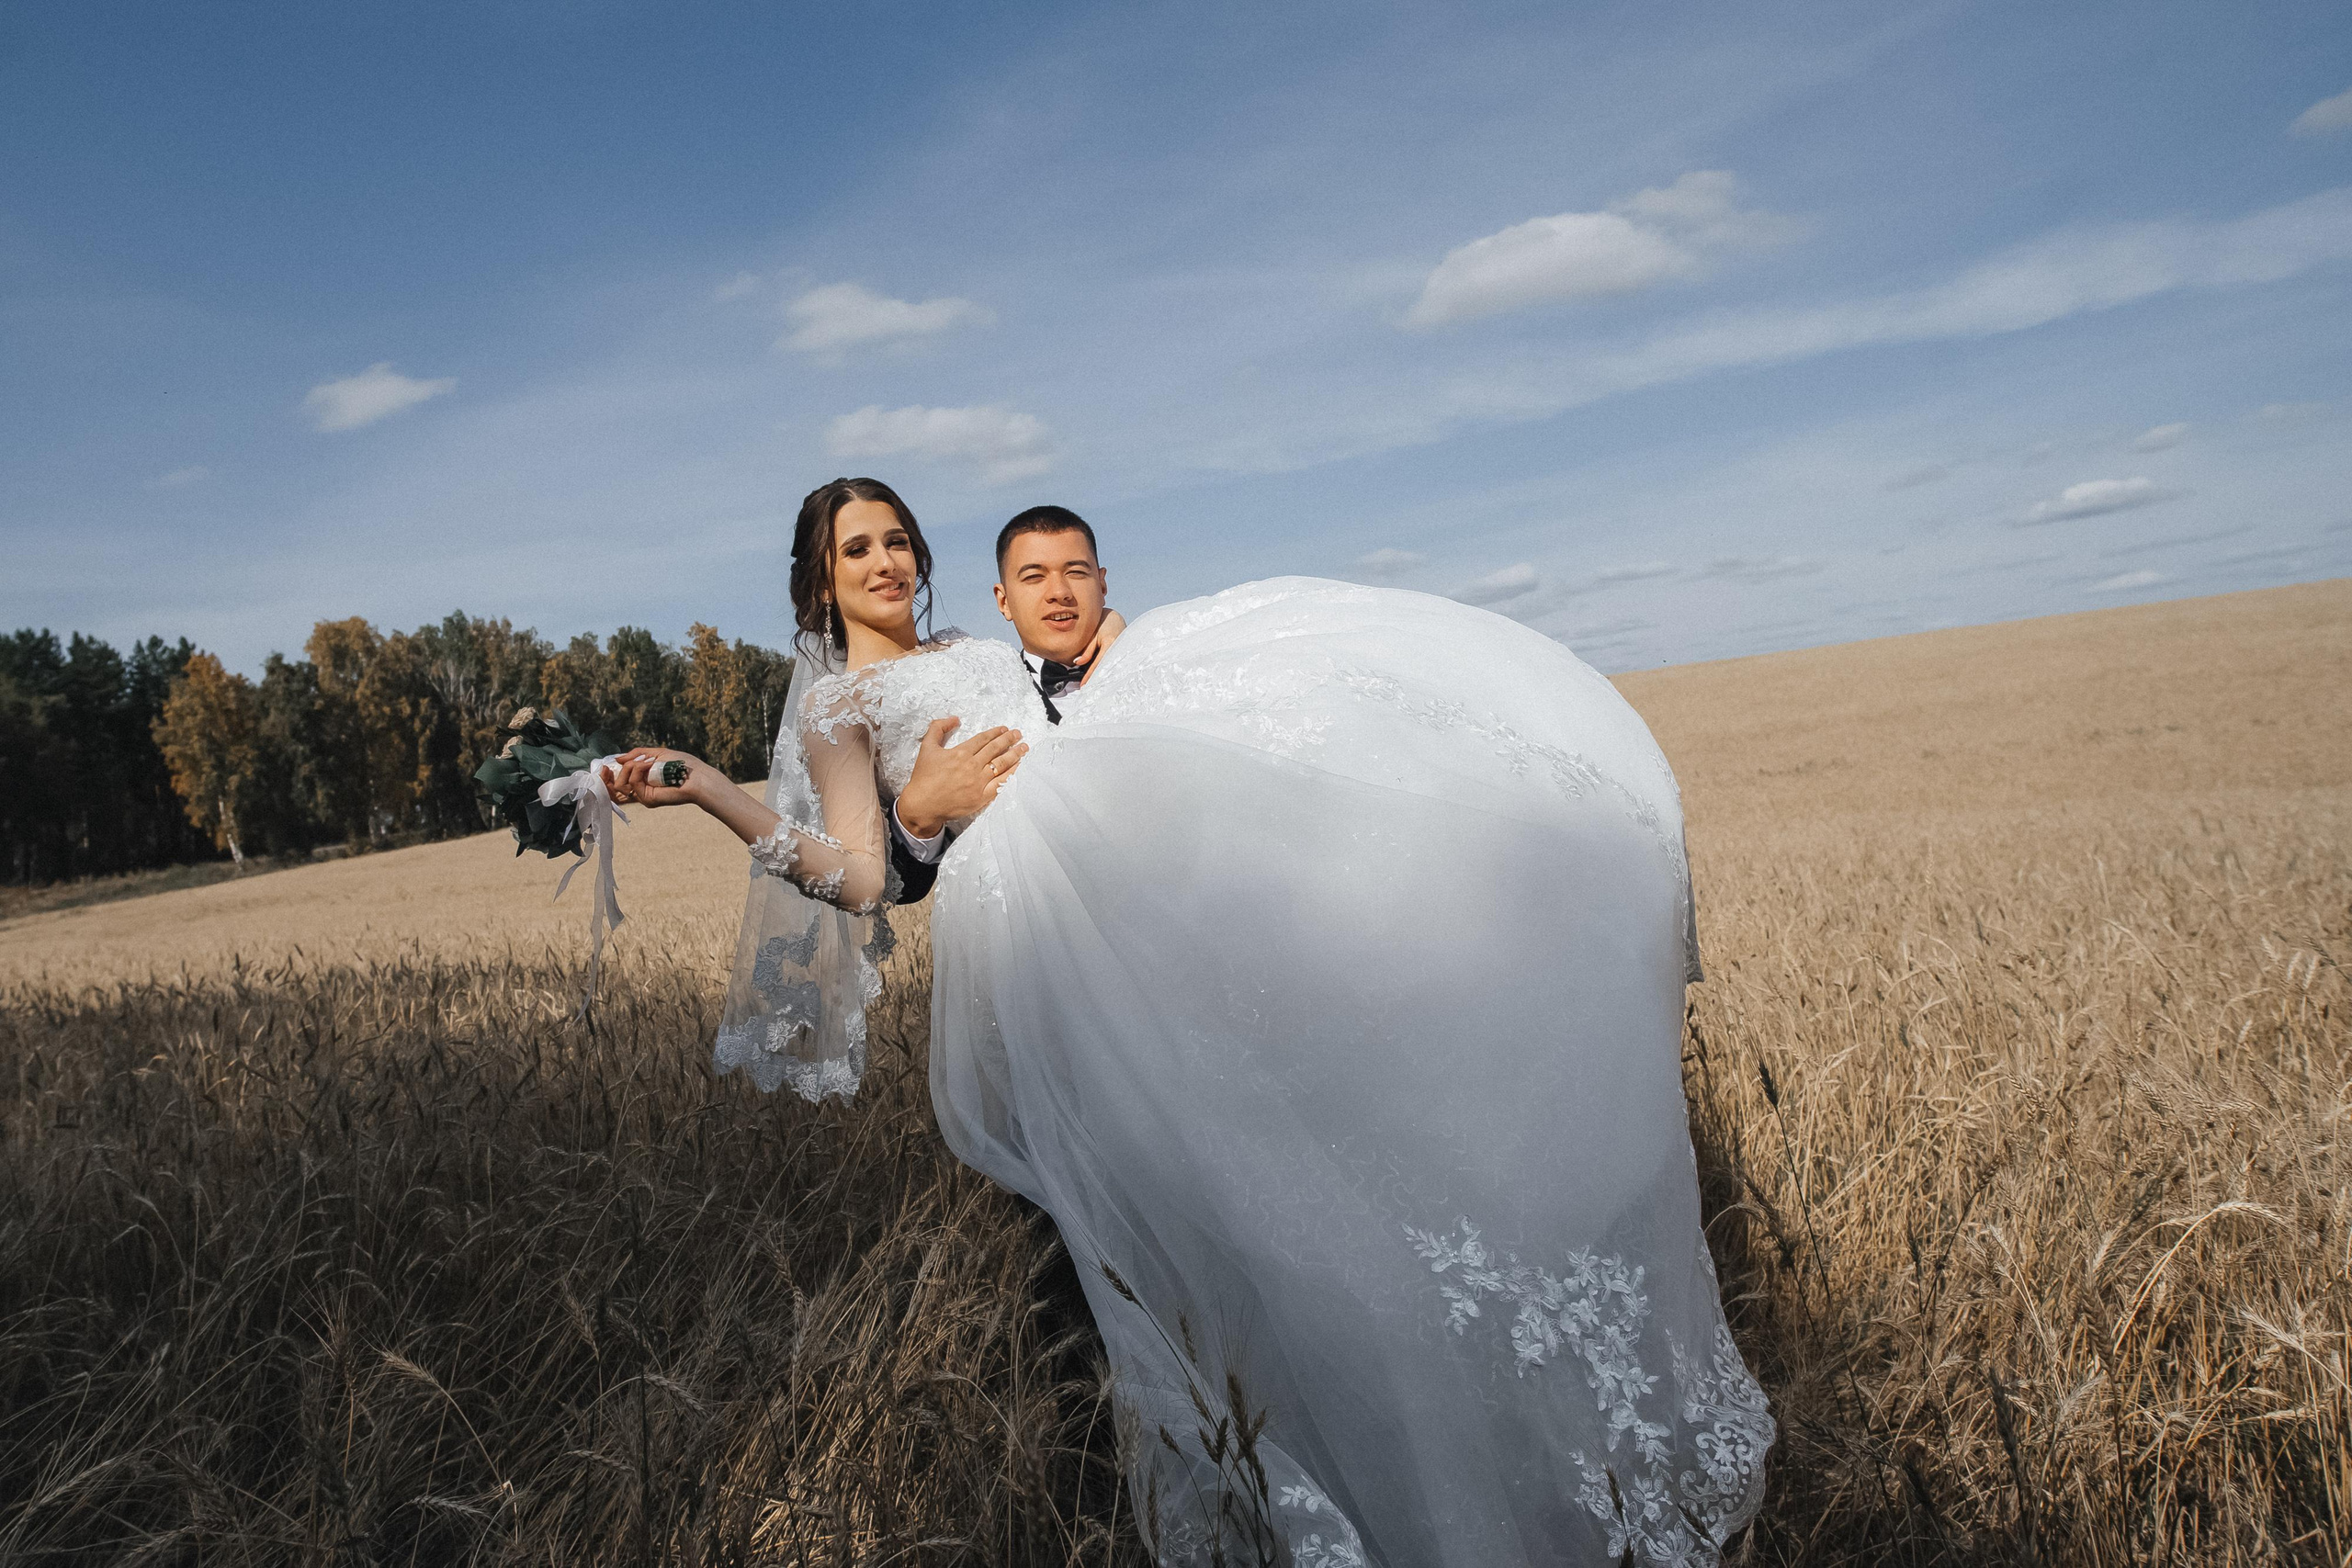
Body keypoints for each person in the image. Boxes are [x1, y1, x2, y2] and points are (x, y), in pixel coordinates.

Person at [616, 477, 1773, 1568]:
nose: (884, 560)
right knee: (1125, 1203)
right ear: (819, 581)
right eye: (854, 548)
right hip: (1031, 940)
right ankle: (1216, 1466)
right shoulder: (839, 702)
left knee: (1266, 1146)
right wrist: (748, 794)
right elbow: (864, 878)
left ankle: (1366, 1414)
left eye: (896, 538)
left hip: (1135, 903)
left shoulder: (981, 650)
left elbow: (1086, 723)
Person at [886, 503, 1124, 900]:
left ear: (1102, 584)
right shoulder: (972, 703)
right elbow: (906, 887)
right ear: (1004, 601)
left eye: (1076, 572)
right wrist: (916, 818)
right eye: (1034, 577)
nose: (1060, 593)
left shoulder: (1157, 667)